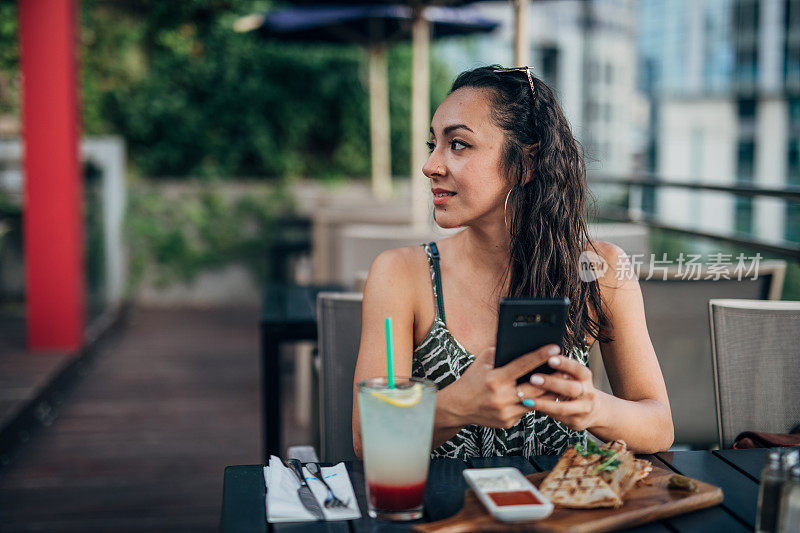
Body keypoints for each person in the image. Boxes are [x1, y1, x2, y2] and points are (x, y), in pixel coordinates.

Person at [352, 65, 673, 459]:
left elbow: (659, 425)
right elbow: (368, 441)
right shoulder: (401, 274)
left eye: (458, 145)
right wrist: (457, 405)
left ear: (525, 163)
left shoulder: (599, 271)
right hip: (447, 515)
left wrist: (594, 407)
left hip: (562, 513)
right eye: (433, 144)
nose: (430, 165)